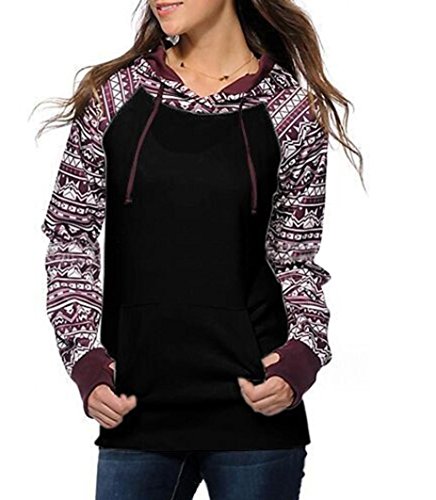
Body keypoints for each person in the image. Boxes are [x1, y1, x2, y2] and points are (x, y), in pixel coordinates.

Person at [37, 0, 363, 498]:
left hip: (255, 406)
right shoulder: (115, 96)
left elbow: (294, 258)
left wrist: (301, 356)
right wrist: (85, 359)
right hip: (136, 405)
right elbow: (70, 236)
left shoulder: (290, 111)